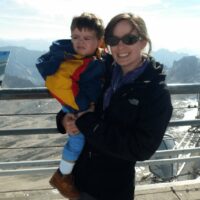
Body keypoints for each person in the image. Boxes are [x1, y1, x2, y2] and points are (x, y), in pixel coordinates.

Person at [56, 13, 173, 200]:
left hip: (112, 189)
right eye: (113, 39)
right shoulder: (101, 70)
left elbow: (140, 148)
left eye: (129, 39)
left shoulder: (155, 93)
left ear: (143, 42)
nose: (120, 47)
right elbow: (75, 101)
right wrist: (64, 120)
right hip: (80, 179)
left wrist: (87, 122)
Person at [36, 13, 105, 199]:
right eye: (75, 37)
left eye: (86, 38)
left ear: (99, 41)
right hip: (77, 108)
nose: (80, 42)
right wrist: (82, 108)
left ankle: (66, 174)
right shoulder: (73, 61)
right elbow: (60, 86)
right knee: (77, 141)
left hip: (80, 107)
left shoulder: (95, 58)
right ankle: (62, 176)